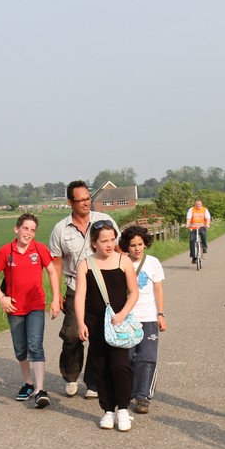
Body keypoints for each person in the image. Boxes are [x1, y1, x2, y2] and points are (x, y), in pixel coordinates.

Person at [49, 180, 117, 399]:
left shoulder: (104, 221)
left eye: (88, 199)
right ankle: (70, 376)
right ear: (70, 202)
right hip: (74, 287)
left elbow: (118, 251)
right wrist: (56, 295)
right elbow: (56, 264)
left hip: (102, 288)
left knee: (99, 335)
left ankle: (93, 382)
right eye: (81, 200)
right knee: (71, 335)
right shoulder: (60, 229)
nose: (86, 203)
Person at [0, 213, 62, 409]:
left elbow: (52, 271)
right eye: (25, 228)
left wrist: (56, 298)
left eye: (32, 230)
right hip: (14, 306)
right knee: (21, 347)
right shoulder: (7, 250)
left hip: (35, 304)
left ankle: (40, 390)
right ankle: (28, 383)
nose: (28, 233)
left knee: (35, 345)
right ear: (17, 229)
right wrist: (0, 297)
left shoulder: (40, 249)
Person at [75, 220, 139, 431]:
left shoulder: (124, 261)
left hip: (118, 322)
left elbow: (134, 292)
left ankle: (123, 409)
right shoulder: (85, 264)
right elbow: (80, 296)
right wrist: (80, 322)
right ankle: (108, 411)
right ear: (94, 243)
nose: (109, 244)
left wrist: (123, 313)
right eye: (104, 241)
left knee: (120, 366)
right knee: (100, 366)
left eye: (112, 240)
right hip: (95, 322)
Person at [119, 225, 166, 414]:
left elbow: (158, 289)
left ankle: (143, 395)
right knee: (128, 357)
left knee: (147, 357)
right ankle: (129, 390)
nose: (137, 248)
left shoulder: (153, 263)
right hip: (127, 318)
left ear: (145, 243)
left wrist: (160, 314)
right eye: (132, 245)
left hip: (148, 317)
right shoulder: (121, 262)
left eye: (140, 244)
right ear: (126, 246)